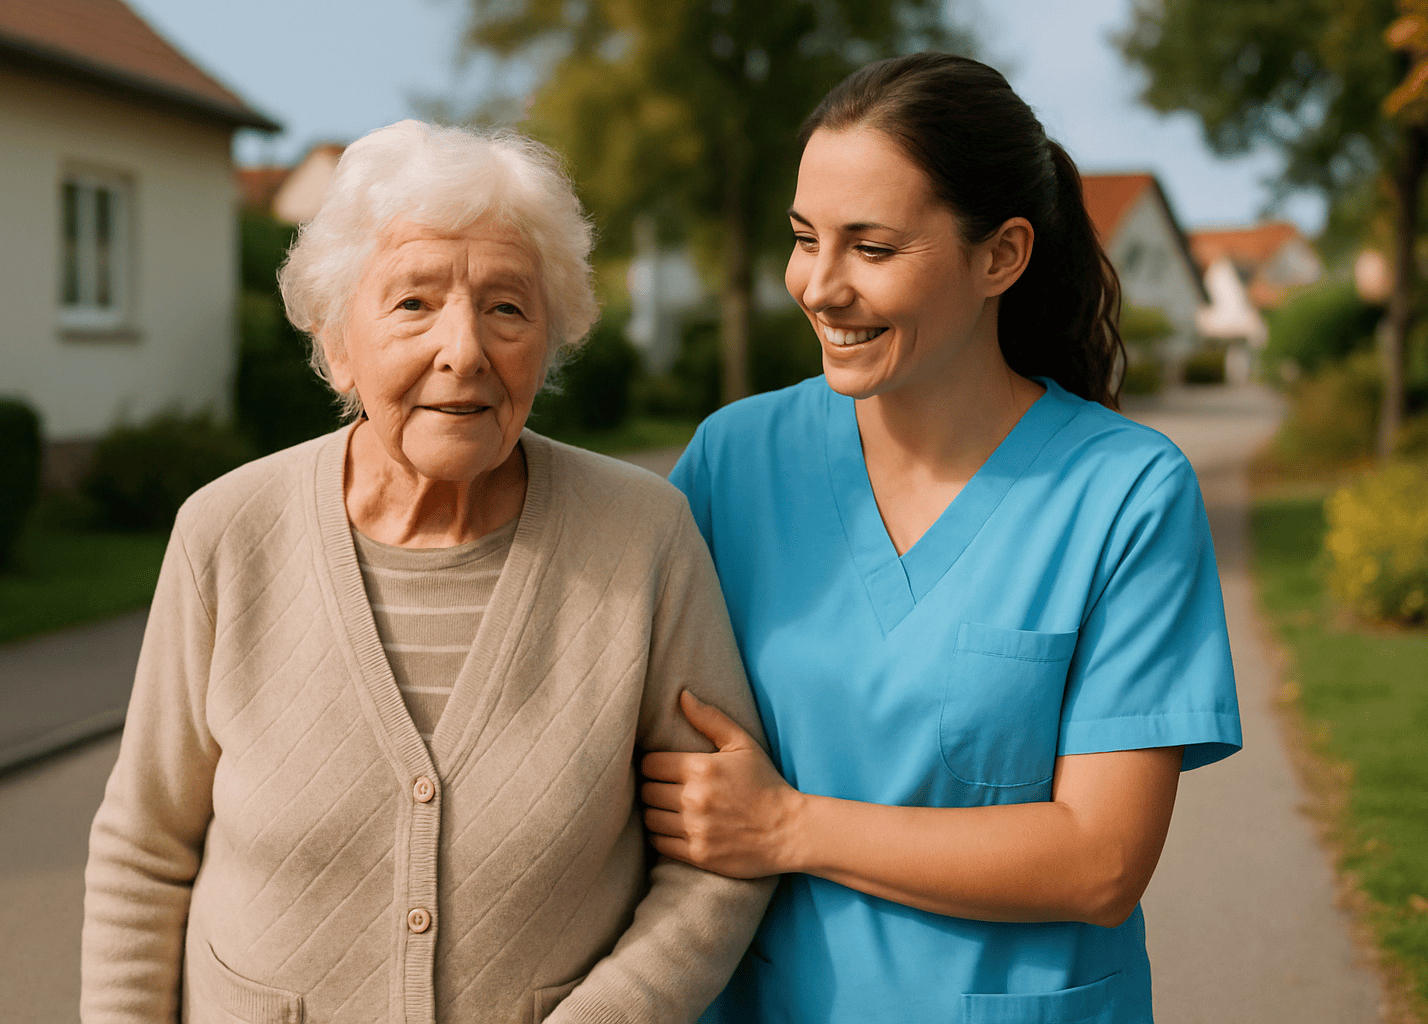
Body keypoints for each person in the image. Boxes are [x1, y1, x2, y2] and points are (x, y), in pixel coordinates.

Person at [80, 120, 772, 1024]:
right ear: (338, 344)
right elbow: (143, 850)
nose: (465, 349)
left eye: (508, 308)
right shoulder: (227, 533)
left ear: (551, 339)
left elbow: (719, 858)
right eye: (414, 303)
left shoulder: (644, 538)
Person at [640, 53, 1242, 1023]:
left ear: (1000, 256)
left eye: (871, 249)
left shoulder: (1125, 492)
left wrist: (789, 826)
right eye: (804, 239)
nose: (818, 286)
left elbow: (1102, 861)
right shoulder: (732, 461)